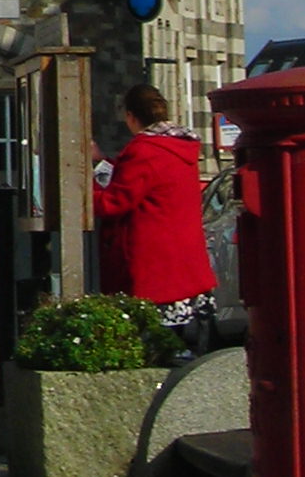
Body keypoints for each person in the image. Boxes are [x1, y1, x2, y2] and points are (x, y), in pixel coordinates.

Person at [92, 85, 217, 348]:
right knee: (187, 351)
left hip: (154, 271)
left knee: (153, 351)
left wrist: (82, 184)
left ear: (131, 116)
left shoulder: (144, 150)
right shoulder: (178, 146)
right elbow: (146, 184)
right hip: (186, 268)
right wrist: (102, 161)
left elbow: (113, 203)